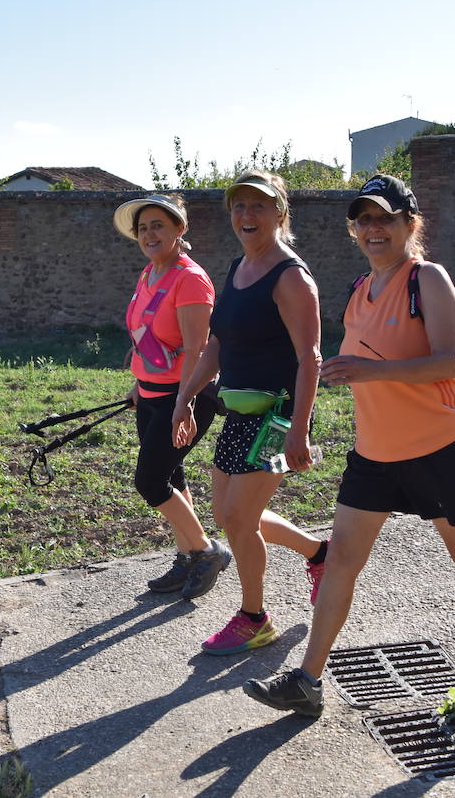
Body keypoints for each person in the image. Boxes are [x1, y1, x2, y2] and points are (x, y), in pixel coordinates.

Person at [243, 174, 455, 718]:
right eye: (364, 220)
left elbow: (448, 361)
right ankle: (308, 681)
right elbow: (361, 370)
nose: (373, 229)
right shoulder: (356, 292)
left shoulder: (428, 278)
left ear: (409, 225)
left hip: (442, 449)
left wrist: (372, 370)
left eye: (385, 218)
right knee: (342, 558)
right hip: (374, 454)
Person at [172, 171, 328, 654]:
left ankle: (254, 617)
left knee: (239, 520)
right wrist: (184, 398)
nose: (246, 215)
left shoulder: (291, 276)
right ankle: (320, 553)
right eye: (238, 206)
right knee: (229, 516)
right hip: (239, 412)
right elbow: (217, 342)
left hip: (278, 417)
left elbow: (311, 357)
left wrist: (299, 430)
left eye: (258, 206)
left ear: (280, 213)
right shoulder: (239, 267)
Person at [111, 193, 233, 600]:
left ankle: (204, 550)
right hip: (151, 394)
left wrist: (184, 404)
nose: (149, 233)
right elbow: (151, 341)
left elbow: (199, 351)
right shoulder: (147, 275)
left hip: (186, 395)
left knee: (149, 480)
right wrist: (138, 385)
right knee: (172, 474)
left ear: (179, 230)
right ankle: (186, 559)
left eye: (158, 225)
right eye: (143, 227)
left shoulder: (190, 279)